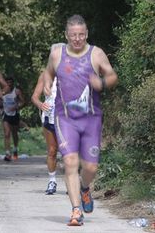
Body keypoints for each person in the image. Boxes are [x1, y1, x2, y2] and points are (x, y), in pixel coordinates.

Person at [44, 15, 118, 226]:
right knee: (69, 161)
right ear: (66, 35)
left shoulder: (96, 54)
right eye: (73, 35)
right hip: (65, 118)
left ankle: (85, 188)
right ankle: (76, 210)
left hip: (91, 119)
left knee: (91, 167)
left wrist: (102, 83)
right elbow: (48, 72)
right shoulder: (57, 54)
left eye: (81, 35)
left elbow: (112, 76)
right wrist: (48, 84)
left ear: (86, 34)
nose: (77, 39)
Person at [31, 43, 64, 195]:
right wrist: (40, 104)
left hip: (67, 118)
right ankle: (52, 181)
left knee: (69, 152)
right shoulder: (45, 75)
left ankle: (72, 184)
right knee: (52, 151)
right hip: (49, 117)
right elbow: (35, 97)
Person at [1, 77, 25, 161]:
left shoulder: (17, 91)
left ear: (12, 83)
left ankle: (15, 149)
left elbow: (23, 102)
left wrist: (17, 107)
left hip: (15, 115)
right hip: (6, 114)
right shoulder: (2, 92)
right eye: (7, 82)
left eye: (10, 82)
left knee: (14, 133)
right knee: (7, 133)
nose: (9, 84)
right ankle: (7, 153)